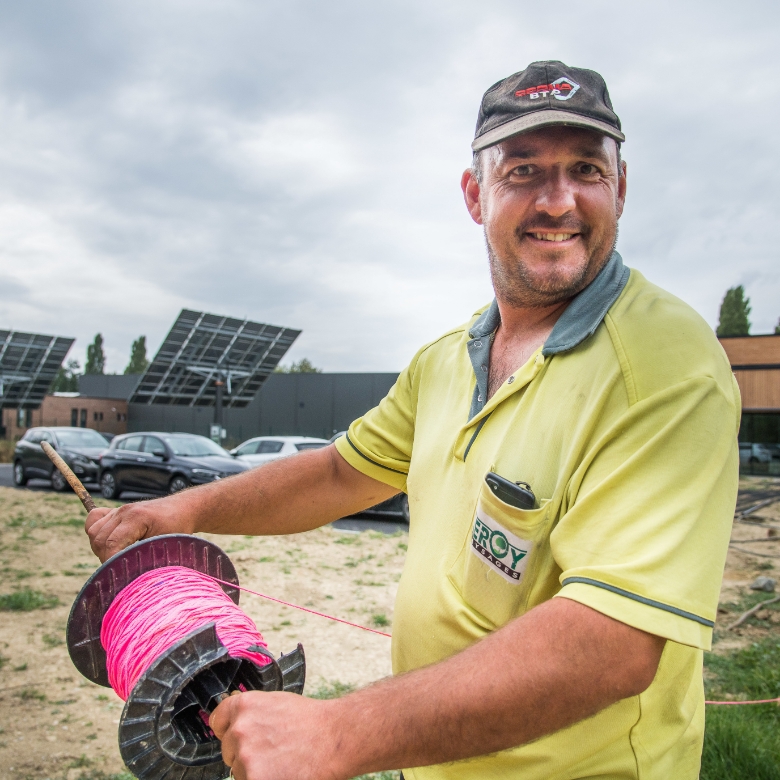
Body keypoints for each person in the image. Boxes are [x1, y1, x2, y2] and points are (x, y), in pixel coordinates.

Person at [86, 61, 740, 780]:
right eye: (522, 171)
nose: (559, 200)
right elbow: (338, 473)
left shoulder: (666, 364)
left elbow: (613, 641)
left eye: (586, 168)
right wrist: (176, 512)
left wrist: (339, 735)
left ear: (621, 187)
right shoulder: (447, 360)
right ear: (474, 195)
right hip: (432, 762)